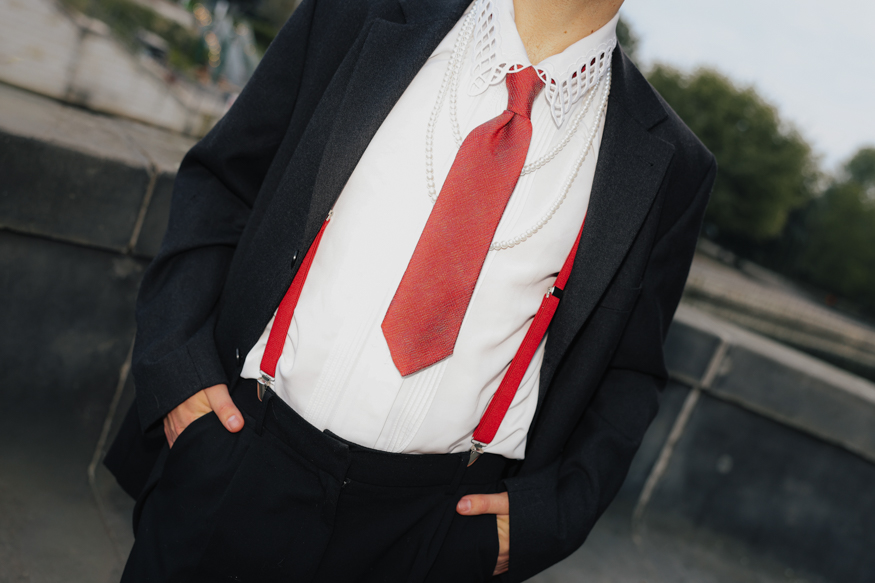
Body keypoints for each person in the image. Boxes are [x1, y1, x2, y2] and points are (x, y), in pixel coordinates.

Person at [105, 0, 716, 581]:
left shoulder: (672, 162)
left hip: (433, 535)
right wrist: (180, 372)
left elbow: (630, 372)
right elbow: (226, 182)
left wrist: (545, 521)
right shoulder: (361, 11)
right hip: (237, 451)